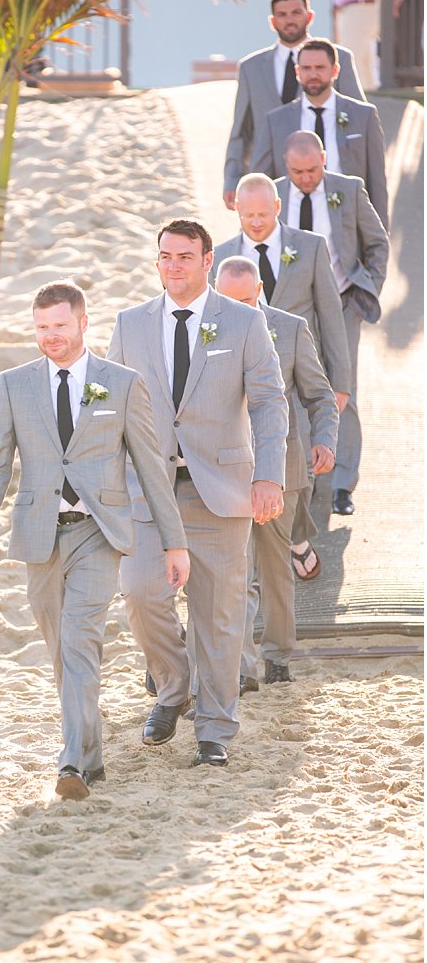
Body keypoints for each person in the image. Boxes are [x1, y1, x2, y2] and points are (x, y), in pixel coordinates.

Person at [0, 281, 188, 799]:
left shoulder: (121, 383)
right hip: (38, 536)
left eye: (60, 326)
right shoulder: (14, 384)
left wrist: (174, 543)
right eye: (42, 327)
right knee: (61, 651)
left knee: (81, 641)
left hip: (98, 532)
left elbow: (152, 469)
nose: (51, 336)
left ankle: (70, 763)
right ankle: (90, 755)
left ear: (83, 324)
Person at [107, 219, 287, 768]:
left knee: (218, 615)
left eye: (185, 257)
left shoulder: (243, 321)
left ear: (208, 260)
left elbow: (269, 400)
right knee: (140, 593)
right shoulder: (130, 324)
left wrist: (268, 476)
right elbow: (111, 404)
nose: (173, 266)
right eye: (165, 257)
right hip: (148, 490)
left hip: (223, 488)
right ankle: (173, 687)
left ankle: (214, 730)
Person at [212, 172, 349, 577]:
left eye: (262, 213)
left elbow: (329, 314)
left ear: (277, 207)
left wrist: (340, 381)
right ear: (235, 209)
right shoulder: (218, 257)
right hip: (235, 395)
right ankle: (274, 551)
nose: (254, 222)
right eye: (246, 213)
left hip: (294, 368)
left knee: (296, 470)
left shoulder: (308, 248)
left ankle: (295, 535)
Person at [212, 257, 337, 690]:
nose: (239, 310)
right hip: (222, 472)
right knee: (234, 572)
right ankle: (242, 666)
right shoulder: (202, 331)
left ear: (260, 288)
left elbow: (320, 395)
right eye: (229, 301)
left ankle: (279, 655)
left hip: (281, 468)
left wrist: (325, 440)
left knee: (274, 570)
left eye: (247, 300)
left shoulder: (291, 328)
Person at [275, 131, 390, 519]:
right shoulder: (273, 195)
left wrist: (367, 290)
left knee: (344, 387)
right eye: (296, 171)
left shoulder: (349, 190)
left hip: (342, 304)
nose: (305, 178)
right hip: (295, 308)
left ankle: (342, 483)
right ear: (285, 164)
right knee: (297, 388)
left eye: (312, 170)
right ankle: (306, 474)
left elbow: (377, 243)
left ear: (324, 160)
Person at [223, 0, 365, 211]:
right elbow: (240, 131)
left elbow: (359, 120)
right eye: (282, 14)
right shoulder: (250, 68)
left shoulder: (340, 59)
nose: (289, 20)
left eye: (296, 13)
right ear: (272, 21)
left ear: (309, 16)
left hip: (328, 177)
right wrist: (232, 179)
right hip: (271, 180)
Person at [257, 38, 390, 225]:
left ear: (334, 70)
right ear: (297, 72)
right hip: (294, 224)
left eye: (320, 67)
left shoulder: (363, 115)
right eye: (306, 68)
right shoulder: (276, 120)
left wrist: (380, 234)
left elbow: (377, 182)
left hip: (348, 223)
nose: (313, 74)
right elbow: (261, 181)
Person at [320, 0, 380, 90]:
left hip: (357, 7)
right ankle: (368, 96)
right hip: (360, 7)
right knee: (364, 58)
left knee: (351, 57)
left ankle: (358, 98)